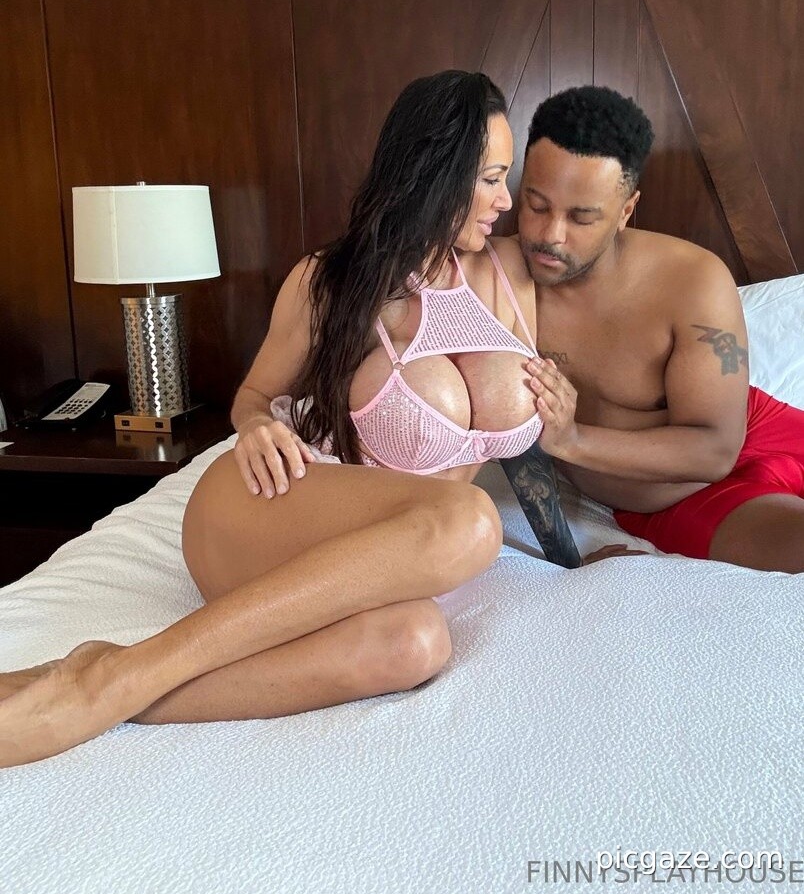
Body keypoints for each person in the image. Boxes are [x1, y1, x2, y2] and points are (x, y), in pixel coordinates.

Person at [0, 69, 581, 769]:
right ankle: (115, 680)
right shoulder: (330, 282)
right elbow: (253, 396)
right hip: (272, 509)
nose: (506, 199)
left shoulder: (508, 275)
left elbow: (517, 444)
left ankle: (115, 679)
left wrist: (571, 554)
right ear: (436, 171)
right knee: (471, 519)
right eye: (489, 178)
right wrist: (258, 427)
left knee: (417, 644)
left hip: (384, 563)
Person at [502, 85, 804, 574]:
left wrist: (573, 440)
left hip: (758, 430)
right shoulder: (495, 280)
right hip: (673, 502)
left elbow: (714, 449)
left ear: (626, 210)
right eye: (536, 205)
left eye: (582, 217)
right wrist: (569, 559)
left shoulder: (692, 280)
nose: (550, 235)